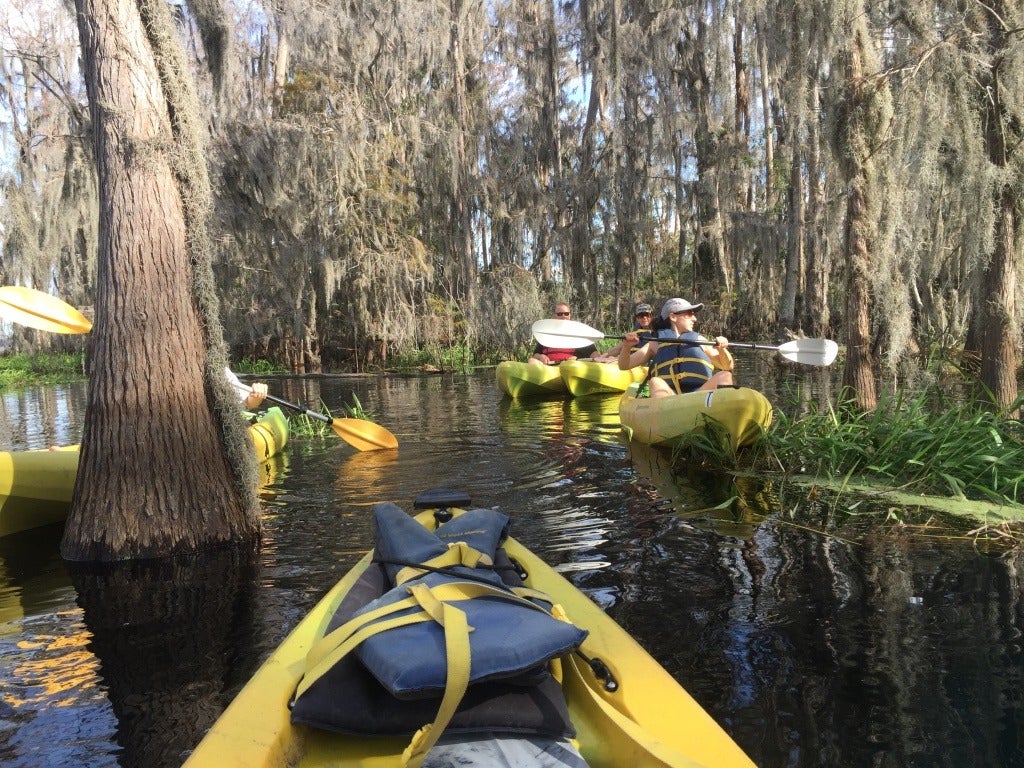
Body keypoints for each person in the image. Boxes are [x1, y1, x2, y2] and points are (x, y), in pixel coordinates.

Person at [616, 297, 733, 398]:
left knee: (725, 375)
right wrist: (627, 347)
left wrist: (722, 350)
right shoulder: (655, 343)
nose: (694, 319)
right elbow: (624, 365)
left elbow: (727, 366)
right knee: (655, 382)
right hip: (669, 397)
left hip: (699, 396)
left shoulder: (700, 340)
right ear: (673, 317)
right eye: (689, 314)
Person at [528, 303, 596, 364]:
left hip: (571, 367)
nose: (563, 316)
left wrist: (577, 359)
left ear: (569, 315)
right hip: (549, 367)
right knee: (531, 361)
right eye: (559, 314)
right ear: (554, 316)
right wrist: (541, 356)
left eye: (566, 314)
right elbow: (535, 355)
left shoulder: (578, 334)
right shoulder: (547, 334)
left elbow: (594, 354)